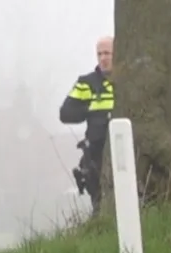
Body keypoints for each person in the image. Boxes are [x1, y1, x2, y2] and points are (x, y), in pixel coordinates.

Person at [59, 36, 115, 216]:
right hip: (96, 150)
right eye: (99, 54)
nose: (103, 58)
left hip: (124, 146)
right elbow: (65, 113)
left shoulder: (128, 83)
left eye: (107, 53)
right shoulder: (86, 83)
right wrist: (92, 109)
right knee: (99, 200)